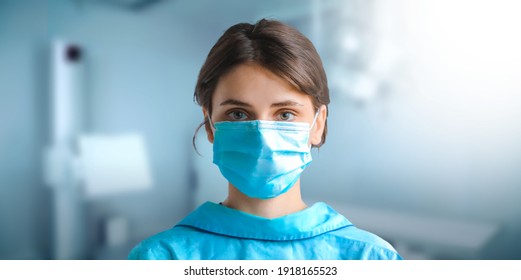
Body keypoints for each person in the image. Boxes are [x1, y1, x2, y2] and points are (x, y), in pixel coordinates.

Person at [129, 19, 402, 260]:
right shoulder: (163, 258)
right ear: (210, 125)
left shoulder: (371, 259)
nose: (263, 137)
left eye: (285, 114)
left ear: (317, 123)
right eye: (238, 114)